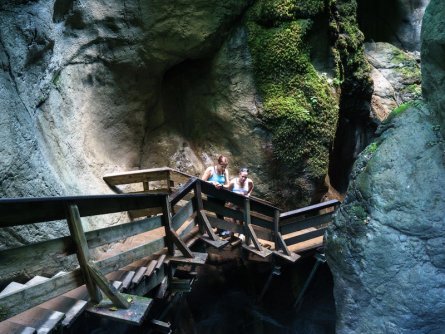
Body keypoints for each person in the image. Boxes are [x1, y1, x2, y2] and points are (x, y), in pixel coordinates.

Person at [201, 155, 230, 227]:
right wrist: (212, 182)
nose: (223, 168)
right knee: (218, 213)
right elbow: (202, 181)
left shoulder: (225, 171)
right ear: (218, 163)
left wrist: (222, 186)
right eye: (222, 166)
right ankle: (221, 229)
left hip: (221, 196)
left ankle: (220, 229)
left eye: (225, 166)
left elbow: (228, 185)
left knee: (220, 213)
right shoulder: (210, 170)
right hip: (212, 196)